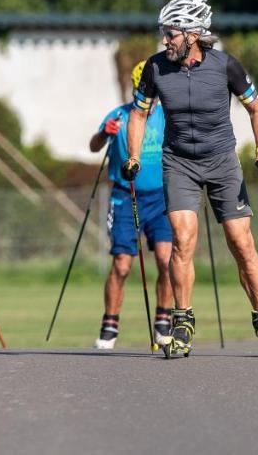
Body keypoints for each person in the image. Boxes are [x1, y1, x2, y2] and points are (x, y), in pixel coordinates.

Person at [122, 0, 258, 358]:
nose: (165, 41)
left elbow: (257, 107)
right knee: (183, 240)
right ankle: (182, 321)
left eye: (170, 34)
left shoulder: (225, 66)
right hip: (179, 163)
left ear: (192, 33)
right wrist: (135, 157)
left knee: (240, 241)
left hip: (221, 161)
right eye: (163, 33)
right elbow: (139, 115)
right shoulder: (156, 69)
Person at [88, 59, 173, 350]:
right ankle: (110, 324)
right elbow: (93, 146)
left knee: (166, 259)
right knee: (123, 264)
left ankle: (164, 319)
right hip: (125, 195)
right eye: (142, 89)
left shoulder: (165, 116)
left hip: (160, 197)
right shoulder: (120, 115)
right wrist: (104, 134)